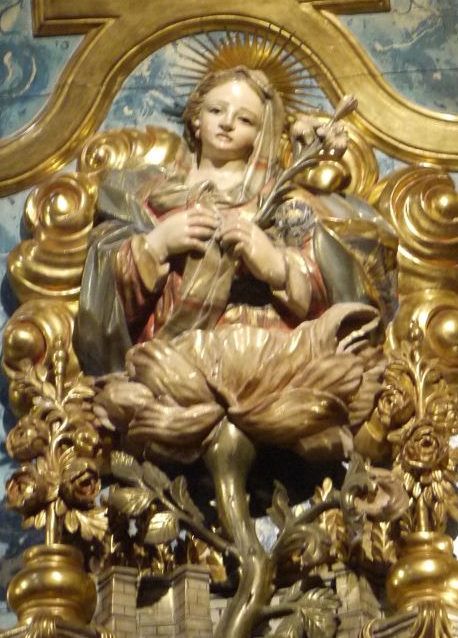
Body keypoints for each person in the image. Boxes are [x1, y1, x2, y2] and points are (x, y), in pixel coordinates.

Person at [74, 65, 396, 466]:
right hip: (174, 357)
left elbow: (329, 281)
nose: (227, 123)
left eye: (245, 120)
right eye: (216, 110)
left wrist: (275, 266)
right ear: (196, 117)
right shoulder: (143, 192)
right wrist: (157, 244)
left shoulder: (283, 200)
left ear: (261, 134)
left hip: (269, 356)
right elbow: (103, 281)